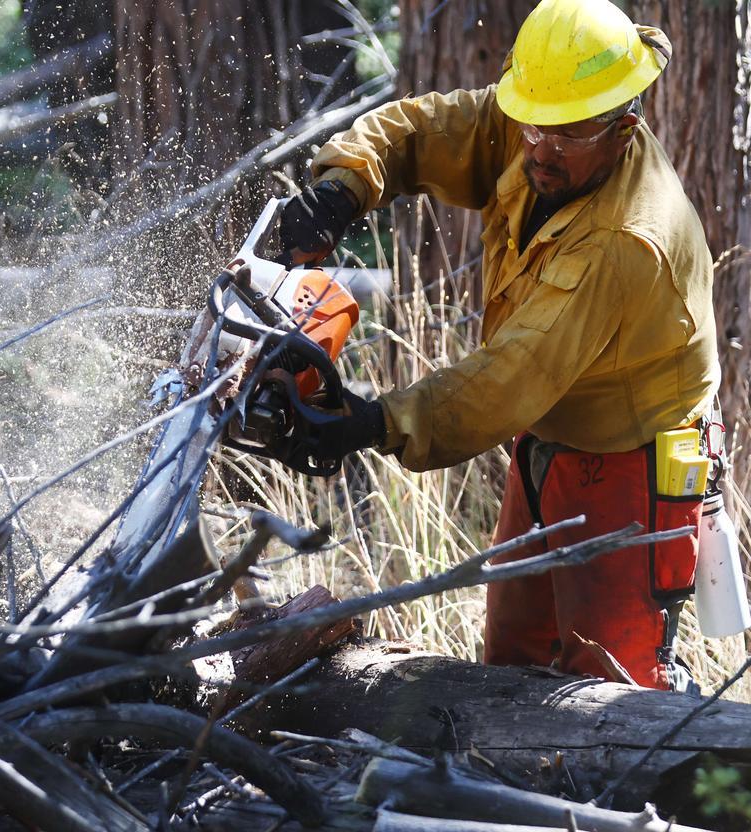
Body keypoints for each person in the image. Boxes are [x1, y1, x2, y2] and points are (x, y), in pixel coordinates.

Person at [279, 0, 720, 691]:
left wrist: (371, 423)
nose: (539, 149)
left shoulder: (624, 241)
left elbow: (510, 375)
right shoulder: (540, 115)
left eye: (566, 135)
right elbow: (421, 130)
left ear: (622, 126)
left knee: (610, 692)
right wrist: (344, 188)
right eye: (531, 126)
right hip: (549, 442)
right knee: (511, 665)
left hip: (629, 467)